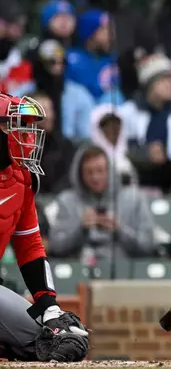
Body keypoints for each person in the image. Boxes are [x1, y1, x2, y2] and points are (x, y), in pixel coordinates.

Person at [0, 93, 88, 361]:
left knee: (57, 343)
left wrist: (48, 306)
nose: (27, 136)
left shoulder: (21, 180)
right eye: (17, 126)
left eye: (28, 126)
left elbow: (30, 246)